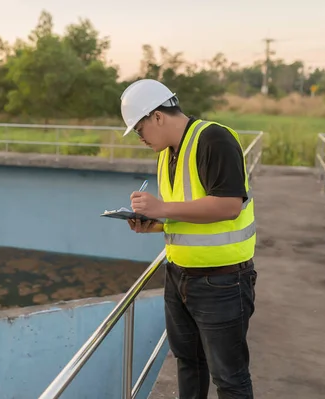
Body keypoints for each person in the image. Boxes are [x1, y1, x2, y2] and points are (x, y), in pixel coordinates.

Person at [120, 79, 257, 399]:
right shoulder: (166, 153)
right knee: (188, 363)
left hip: (223, 283)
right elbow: (186, 215)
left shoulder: (214, 139)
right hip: (179, 277)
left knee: (230, 378)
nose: (140, 138)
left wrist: (161, 207)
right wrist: (153, 224)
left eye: (139, 129)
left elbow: (229, 205)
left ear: (157, 116)